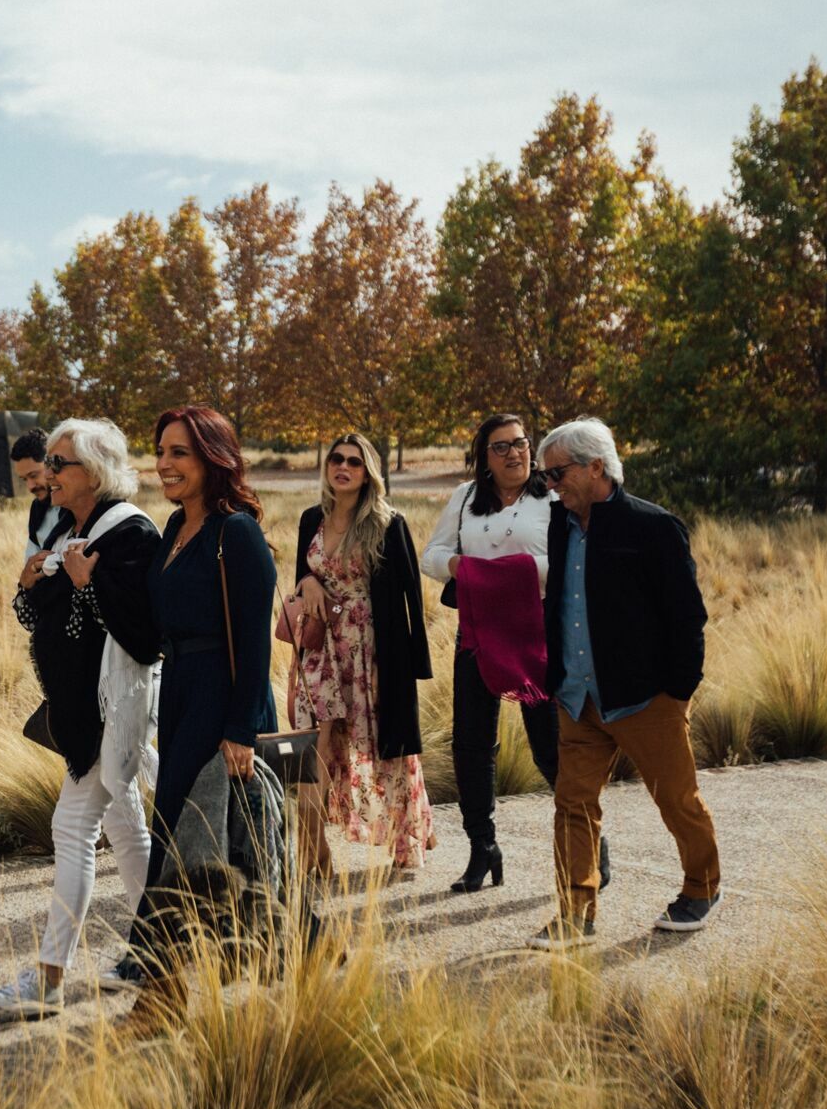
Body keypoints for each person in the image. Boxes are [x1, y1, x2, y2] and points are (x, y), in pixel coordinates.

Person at [107, 405, 277, 1031]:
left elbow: (255, 641)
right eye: (161, 451)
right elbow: (152, 631)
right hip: (177, 691)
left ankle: (160, 998)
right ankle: (308, 941)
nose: (166, 464)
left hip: (220, 699)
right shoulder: (174, 527)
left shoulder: (237, 535)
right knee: (220, 847)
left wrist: (240, 729)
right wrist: (92, 585)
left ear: (213, 458)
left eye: (180, 452)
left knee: (180, 846)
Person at [0, 419, 160, 1015]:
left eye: (60, 465)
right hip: (83, 714)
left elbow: (143, 633)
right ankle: (158, 954)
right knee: (128, 829)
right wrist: (31, 582)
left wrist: (87, 584)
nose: (48, 474)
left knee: (72, 830)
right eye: (49, 464)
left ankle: (49, 979)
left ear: (96, 472)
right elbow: (46, 619)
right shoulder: (70, 528)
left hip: (107, 714)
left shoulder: (131, 533)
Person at [527, 418, 720, 950]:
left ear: (596, 466)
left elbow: (688, 618)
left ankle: (702, 888)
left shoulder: (654, 527)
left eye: (558, 473)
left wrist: (678, 691)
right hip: (576, 696)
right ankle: (576, 912)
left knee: (676, 799)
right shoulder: (560, 527)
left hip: (645, 696)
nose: (551, 484)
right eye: (546, 476)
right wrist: (556, 675)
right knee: (573, 804)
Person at [421, 414, 608, 894]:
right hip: (479, 631)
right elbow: (432, 556)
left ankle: (592, 845)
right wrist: (461, 565)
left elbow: (572, 560)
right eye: (501, 447)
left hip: (537, 632)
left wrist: (511, 571)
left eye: (521, 444)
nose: (514, 454)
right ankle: (483, 850)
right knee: (471, 744)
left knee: (548, 745)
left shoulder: (552, 497)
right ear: (484, 456)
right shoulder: (465, 498)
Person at [291, 432, 433, 878]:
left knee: (386, 751)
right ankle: (315, 854)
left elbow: (411, 595)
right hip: (318, 650)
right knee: (310, 743)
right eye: (337, 458)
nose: (344, 466)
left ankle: (407, 840)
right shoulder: (311, 518)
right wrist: (307, 581)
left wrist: (414, 664)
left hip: (370, 652)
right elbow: (301, 572)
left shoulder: (388, 523)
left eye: (354, 461)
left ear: (367, 472)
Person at [13, 427, 70, 560]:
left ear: (52, 464)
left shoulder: (80, 504)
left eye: (33, 475)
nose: (30, 487)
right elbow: (31, 560)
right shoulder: (37, 508)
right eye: (24, 479)